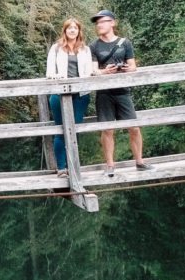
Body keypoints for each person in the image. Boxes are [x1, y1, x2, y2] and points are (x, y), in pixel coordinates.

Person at [89, 9, 152, 176]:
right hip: (104, 93)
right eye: (98, 23)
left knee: (134, 127)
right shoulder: (94, 45)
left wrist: (126, 68)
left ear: (112, 23)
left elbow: (133, 66)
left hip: (123, 91)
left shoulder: (125, 43)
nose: (99, 25)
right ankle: (110, 165)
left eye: (103, 21)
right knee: (107, 130)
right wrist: (104, 72)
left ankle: (139, 161)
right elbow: (93, 71)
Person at [46, 17, 96, 176]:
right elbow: (49, 71)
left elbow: (88, 72)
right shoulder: (56, 48)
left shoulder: (85, 49)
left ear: (79, 31)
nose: (72, 30)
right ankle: (62, 168)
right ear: (65, 30)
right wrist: (55, 78)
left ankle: (72, 165)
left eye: (75, 28)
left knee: (76, 130)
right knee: (61, 130)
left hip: (80, 95)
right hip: (59, 94)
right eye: (69, 28)